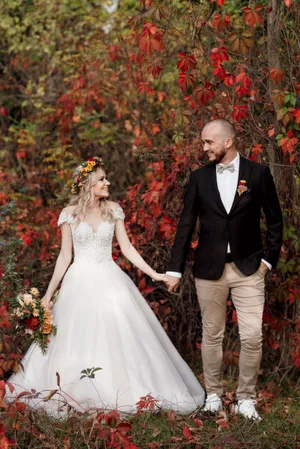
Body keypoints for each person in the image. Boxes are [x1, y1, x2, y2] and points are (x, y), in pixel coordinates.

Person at [6, 156, 205, 416]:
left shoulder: (113, 209)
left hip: (110, 278)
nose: (107, 182)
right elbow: (65, 256)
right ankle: (73, 390)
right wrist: (48, 294)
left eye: (105, 178)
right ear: (88, 184)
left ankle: (122, 389)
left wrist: (155, 274)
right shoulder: (69, 214)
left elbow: (127, 248)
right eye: (101, 179)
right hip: (78, 282)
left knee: (118, 333)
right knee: (74, 336)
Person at [165, 119, 283, 421]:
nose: (204, 148)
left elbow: (274, 220)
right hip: (209, 269)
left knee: (253, 335)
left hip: (249, 268)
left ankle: (246, 399)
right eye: (203, 142)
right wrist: (175, 270)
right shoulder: (198, 178)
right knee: (212, 335)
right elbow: (186, 225)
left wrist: (268, 262)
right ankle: (214, 396)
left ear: (228, 141)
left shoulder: (258, 174)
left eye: (209, 142)